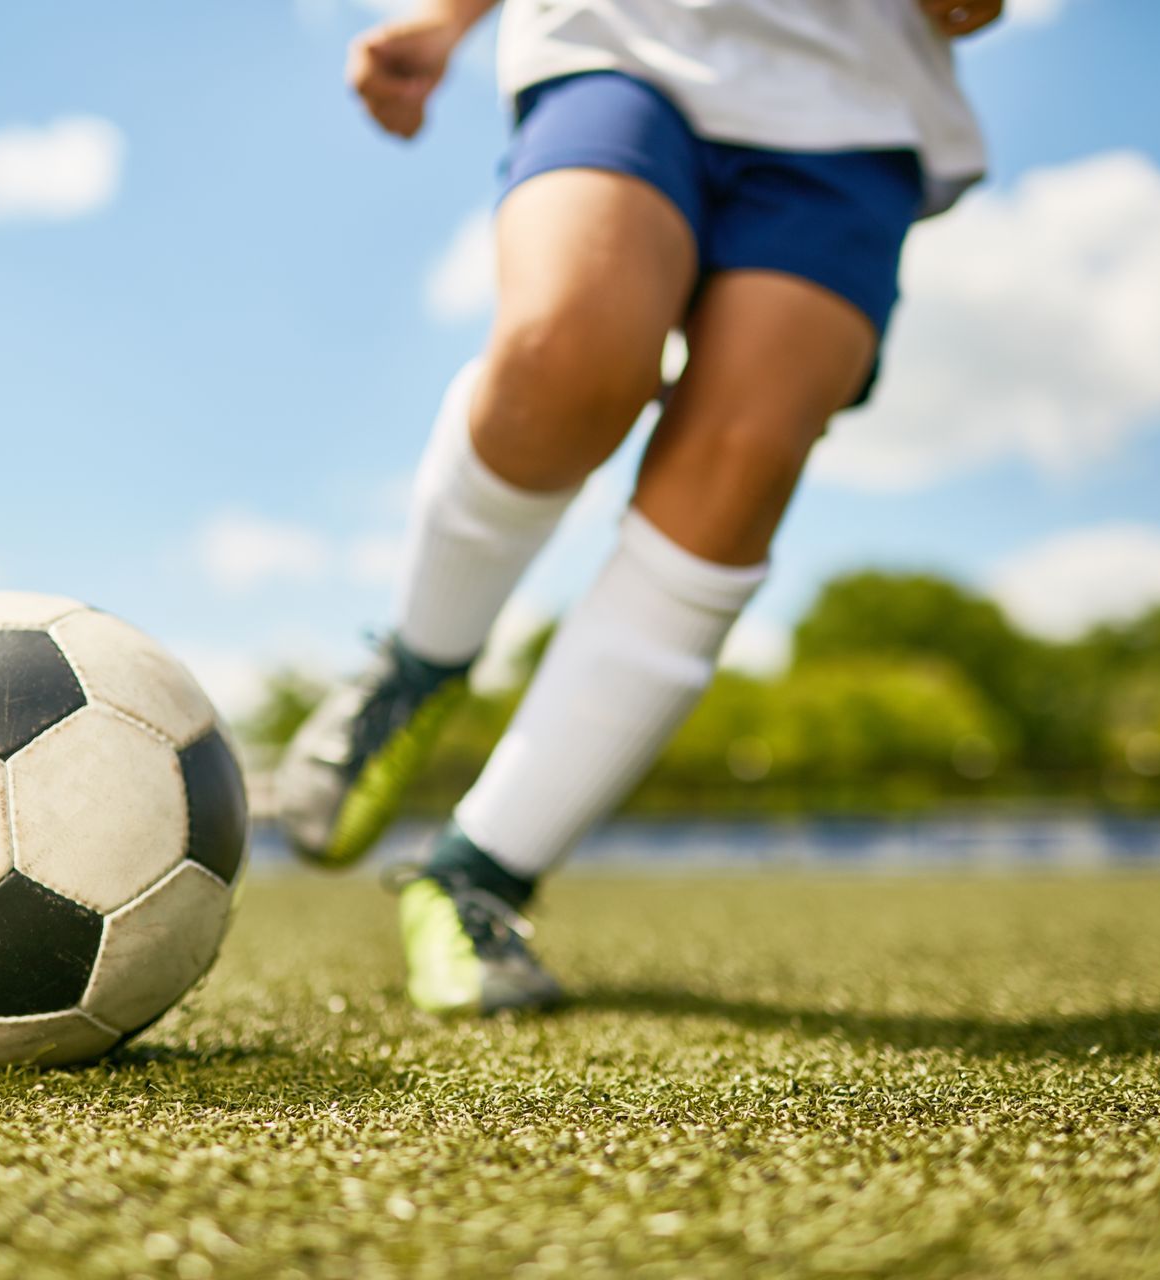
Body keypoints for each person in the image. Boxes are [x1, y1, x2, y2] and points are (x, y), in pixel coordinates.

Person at [276, 0, 997, 1014]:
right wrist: (444, 21)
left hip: (849, 95)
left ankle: (477, 875)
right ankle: (417, 668)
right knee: (568, 349)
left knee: (741, 462)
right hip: (619, 35)